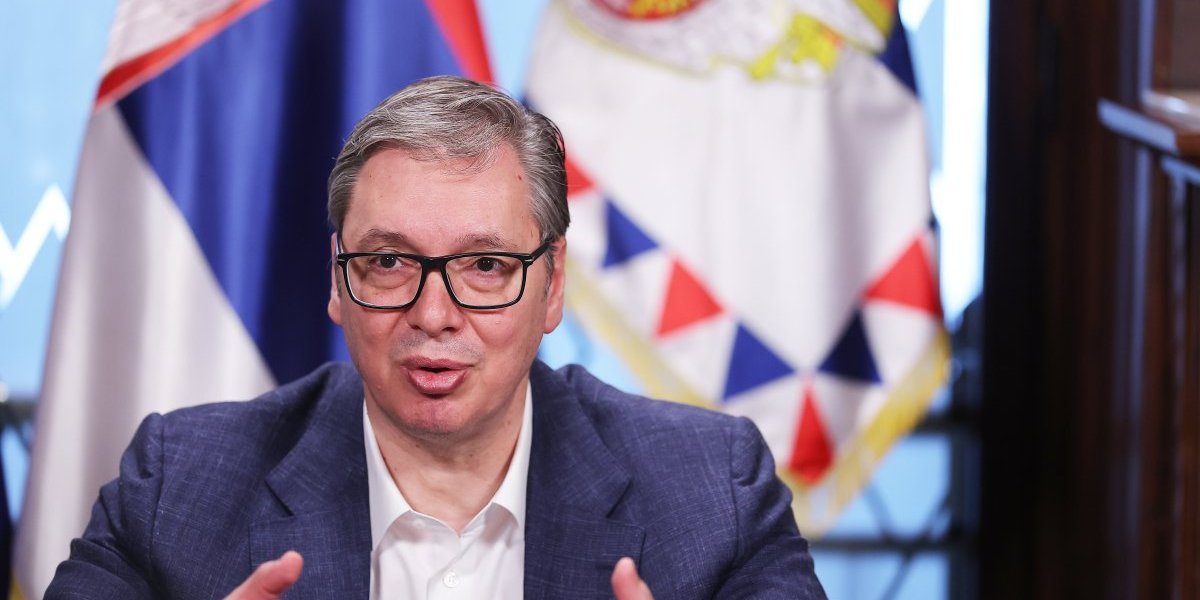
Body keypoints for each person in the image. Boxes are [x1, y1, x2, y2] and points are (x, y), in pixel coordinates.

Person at [46, 76, 826, 599]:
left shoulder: (710, 495)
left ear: (553, 283)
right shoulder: (179, 488)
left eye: (485, 266)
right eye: (389, 262)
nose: (433, 314)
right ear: (337, 279)